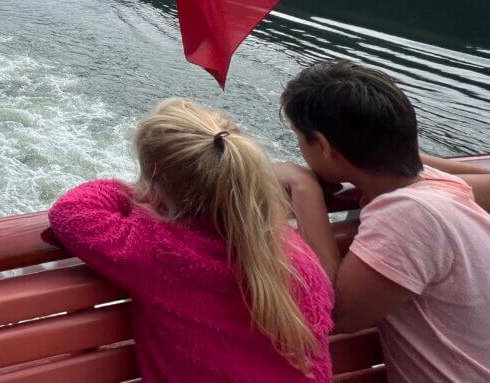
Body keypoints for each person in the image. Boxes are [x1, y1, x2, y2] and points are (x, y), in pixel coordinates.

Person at [49, 99, 333, 382]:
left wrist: (143, 190)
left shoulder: (160, 251)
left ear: (155, 180)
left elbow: (72, 211)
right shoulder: (293, 253)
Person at [276, 59, 490, 383]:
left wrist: (304, 188)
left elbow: (338, 313)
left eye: (300, 139)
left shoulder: (410, 216)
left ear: (321, 145)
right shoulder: (436, 185)